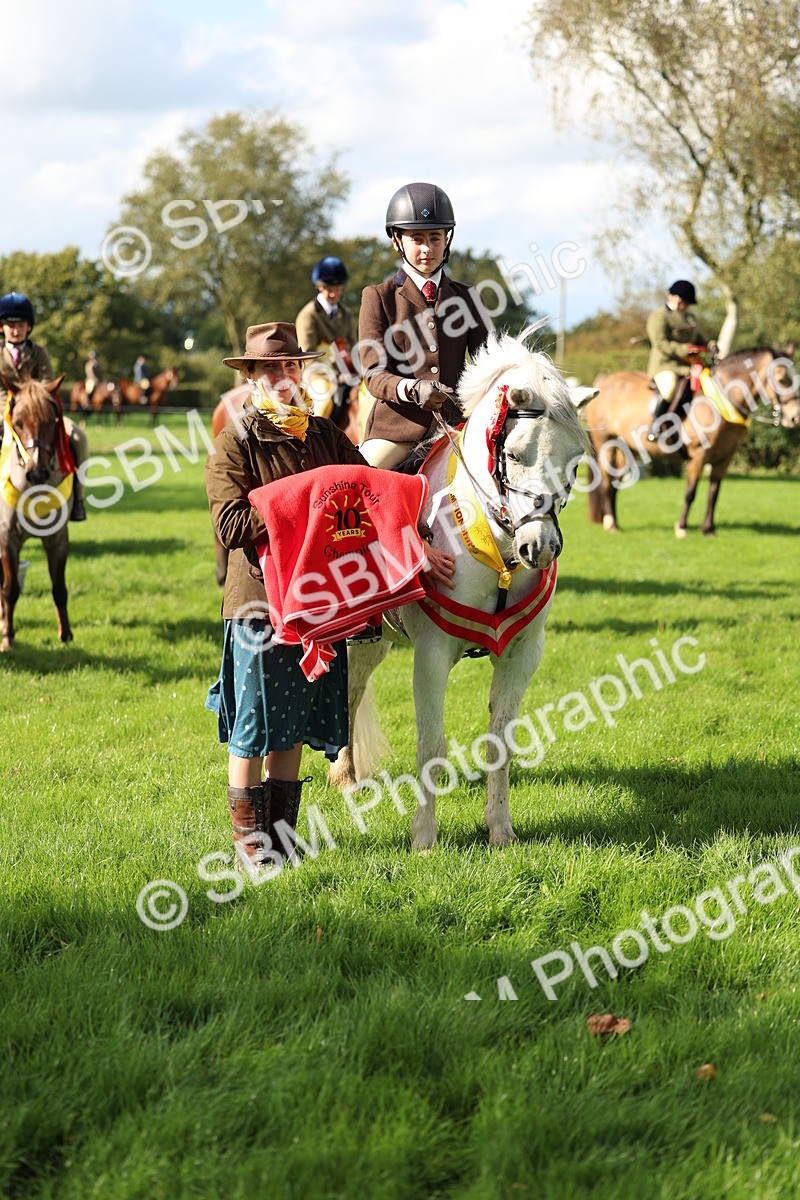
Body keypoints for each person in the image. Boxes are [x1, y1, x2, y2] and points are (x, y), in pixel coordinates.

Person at [205, 321, 454, 874]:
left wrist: (414, 538)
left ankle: (282, 841)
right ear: (250, 378)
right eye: (271, 369)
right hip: (258, 603)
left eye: (291, 367)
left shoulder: (322, 435)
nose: (284, 377)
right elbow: (231, 524)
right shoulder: (233, 442)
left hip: (320, 602)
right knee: (253, 726)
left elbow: (369, 492)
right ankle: (250, 849)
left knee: (292, 722)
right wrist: (308, 502)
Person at [358, 181, 492, 469]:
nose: (427, 249)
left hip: (458, 430)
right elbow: (373, 374)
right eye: (416, 239)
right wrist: (412, 389)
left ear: (448, 239)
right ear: (397, 240)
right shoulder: (378, 298)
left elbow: (488, 364)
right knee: (357, 484)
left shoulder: (468, 298)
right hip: (397, 433)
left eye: (435, 238)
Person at [0, 291, 87, 520]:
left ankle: (78, 498)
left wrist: (34, 406)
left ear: (29, 326)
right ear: (2, 328)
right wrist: (7, 413)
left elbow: (48, 384)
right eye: (10, 325)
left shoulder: (39, 352)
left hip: (39, 414)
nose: (15, 330)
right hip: (5, 413)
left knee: (79, 438)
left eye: (20, 325)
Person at [295, 256, 359, 429]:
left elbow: (353, 347)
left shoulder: (346, 314)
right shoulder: (308, 315)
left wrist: (359, 370)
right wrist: (336, 376)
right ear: (319, 287)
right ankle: (310, 443)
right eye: (329, 289)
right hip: (316, 374)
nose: (334, 294)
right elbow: (307, 355)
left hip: (344, 374)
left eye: (338, 289)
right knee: (325, 403)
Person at [646, 280, 709, 441]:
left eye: (687, 303)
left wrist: (711, 345)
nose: (685, 306)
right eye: (682, 302)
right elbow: (660, 343)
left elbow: (700, 339)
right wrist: (685, 349)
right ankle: (655, 426)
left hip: (689, 366)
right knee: (669, 388)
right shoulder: (659, 316)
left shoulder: (690, 318)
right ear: (671, 297)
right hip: (665, 365)